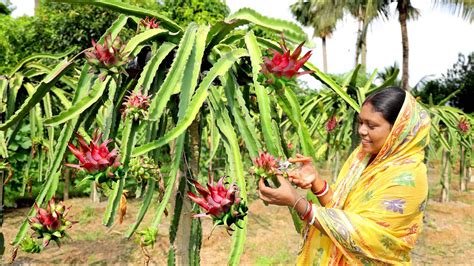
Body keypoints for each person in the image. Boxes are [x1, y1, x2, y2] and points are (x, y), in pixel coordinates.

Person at [258, 87, 430, 265]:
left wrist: (297, 202)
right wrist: (316, 183)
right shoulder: (362, 157)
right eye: (360, 122)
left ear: (398, 131)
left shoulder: (409, 178)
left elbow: (364, 237)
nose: (362, 131)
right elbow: (341, 211)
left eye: (371, 125)